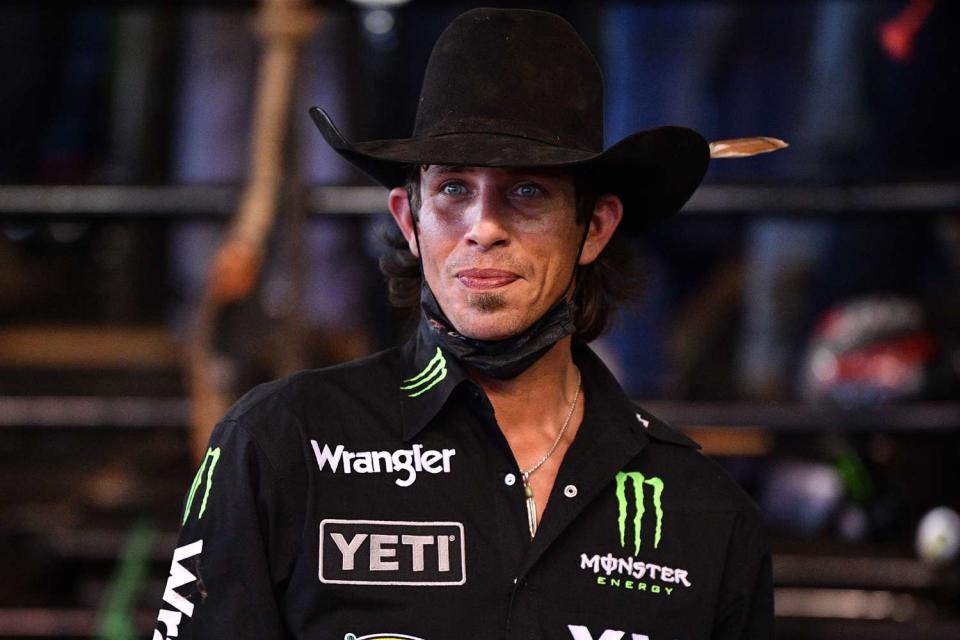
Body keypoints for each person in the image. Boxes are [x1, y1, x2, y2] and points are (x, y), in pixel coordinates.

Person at [154, 8, 773, 639]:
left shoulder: (706, 513)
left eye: (527, 191)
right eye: (453, 189)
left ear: (595, 227)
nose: (483, 226)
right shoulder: (278, 445)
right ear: (408, 219)